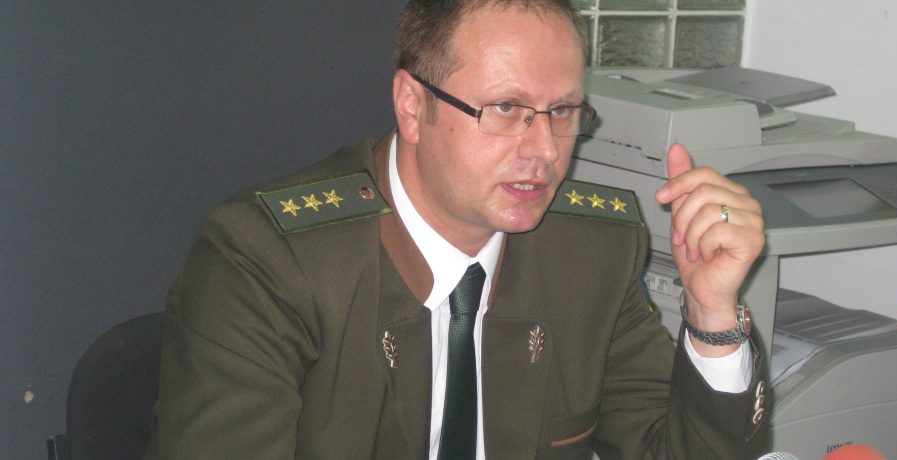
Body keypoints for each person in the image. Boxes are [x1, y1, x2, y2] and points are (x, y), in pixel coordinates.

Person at [145, 0, 768, 458]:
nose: (545, 150)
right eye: (506, 108)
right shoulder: (266, 260)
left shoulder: (593, 250)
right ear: (412, 106)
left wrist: (711, 313)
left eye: (563, 111)